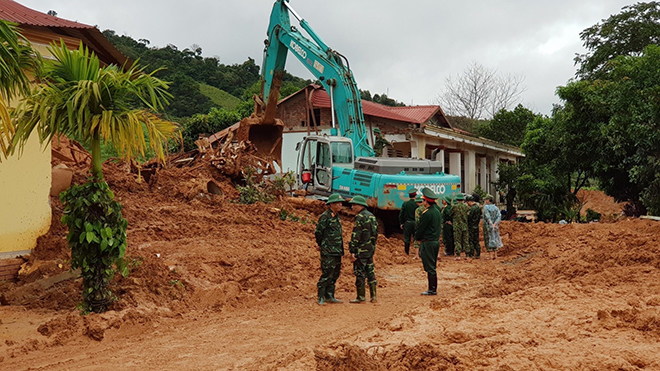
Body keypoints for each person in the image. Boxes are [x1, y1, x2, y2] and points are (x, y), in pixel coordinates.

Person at [314, 193, 345, 305]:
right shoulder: (325, 217)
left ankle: (330, 296)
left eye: (341, 203)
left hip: (337, 250)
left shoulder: (336, 216)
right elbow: (318, 232)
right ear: (331, 204)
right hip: (328, 251)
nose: (340, 205)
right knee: (327, 273)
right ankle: (320, 296)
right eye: (338, 203)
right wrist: (321, 244)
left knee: (335, 273)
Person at [348, 195, 379, 303]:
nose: (352, 207)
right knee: (370, 272)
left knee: (360, 273)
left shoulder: (360, 217)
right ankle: (373, 297)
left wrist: (352, 250)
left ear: (360, 205)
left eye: (354, 205)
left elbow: (356, 236)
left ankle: (361, 297)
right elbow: (375, 234)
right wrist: (372, 246)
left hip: (360, 251)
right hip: (369, 249)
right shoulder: (372, 216)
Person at [415, 188, 442, 296]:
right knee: (432, 265)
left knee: (430, 267)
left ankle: (432, 289)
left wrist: (417, 237)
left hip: (428, 242)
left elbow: (421, 228)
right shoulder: (437, 211)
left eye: (423, 201)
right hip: (435, 241)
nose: (422, 203)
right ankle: (432, 288)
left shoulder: (427, 213)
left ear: (426, 201)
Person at [450, 193, 470, 260]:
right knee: (466, 240)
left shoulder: (454, 207)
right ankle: (467, 255)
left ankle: (458, 255)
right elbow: (469, 215)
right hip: (465, 225)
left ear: (457, 199)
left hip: (457, 226)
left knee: (457, 241)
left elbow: (450, 214)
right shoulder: (466, 207)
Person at [399, 188, 418, 256]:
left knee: (407, 238)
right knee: (416, 238)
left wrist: (401, 223)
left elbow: (401, 214)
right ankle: (417, 253)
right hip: (415, 223)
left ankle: (406, 252)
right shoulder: (417, 204)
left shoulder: (405, 204)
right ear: (415, 196)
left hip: (408, 223)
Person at [483, 195, 503, 260]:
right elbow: (499, 216)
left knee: (488, 238)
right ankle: (495, 255)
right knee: (495, 238)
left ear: (488, 200)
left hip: (488, 225)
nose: (485, 201)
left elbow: (487, 216)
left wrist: (491, 224)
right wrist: (495, 224)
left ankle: (490, 256)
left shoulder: (486, 207)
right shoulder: (496, 208)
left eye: (486, 200)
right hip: (495, 225)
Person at [466, 194, 482, 259]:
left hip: (471, 226)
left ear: (470, 201)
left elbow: (469, 217)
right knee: (476, 240)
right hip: (476, 226)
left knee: (471, 240)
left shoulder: (471, 209)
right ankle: (478, 253)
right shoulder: (478, 208)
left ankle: (471, 254)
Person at [413, 193, 424, 259]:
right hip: (427, 227)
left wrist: (416, 228)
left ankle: (417, 255)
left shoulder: (418, 210)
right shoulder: (427, 208)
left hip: (420, 227)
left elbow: (417, 220)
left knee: (417, 241)